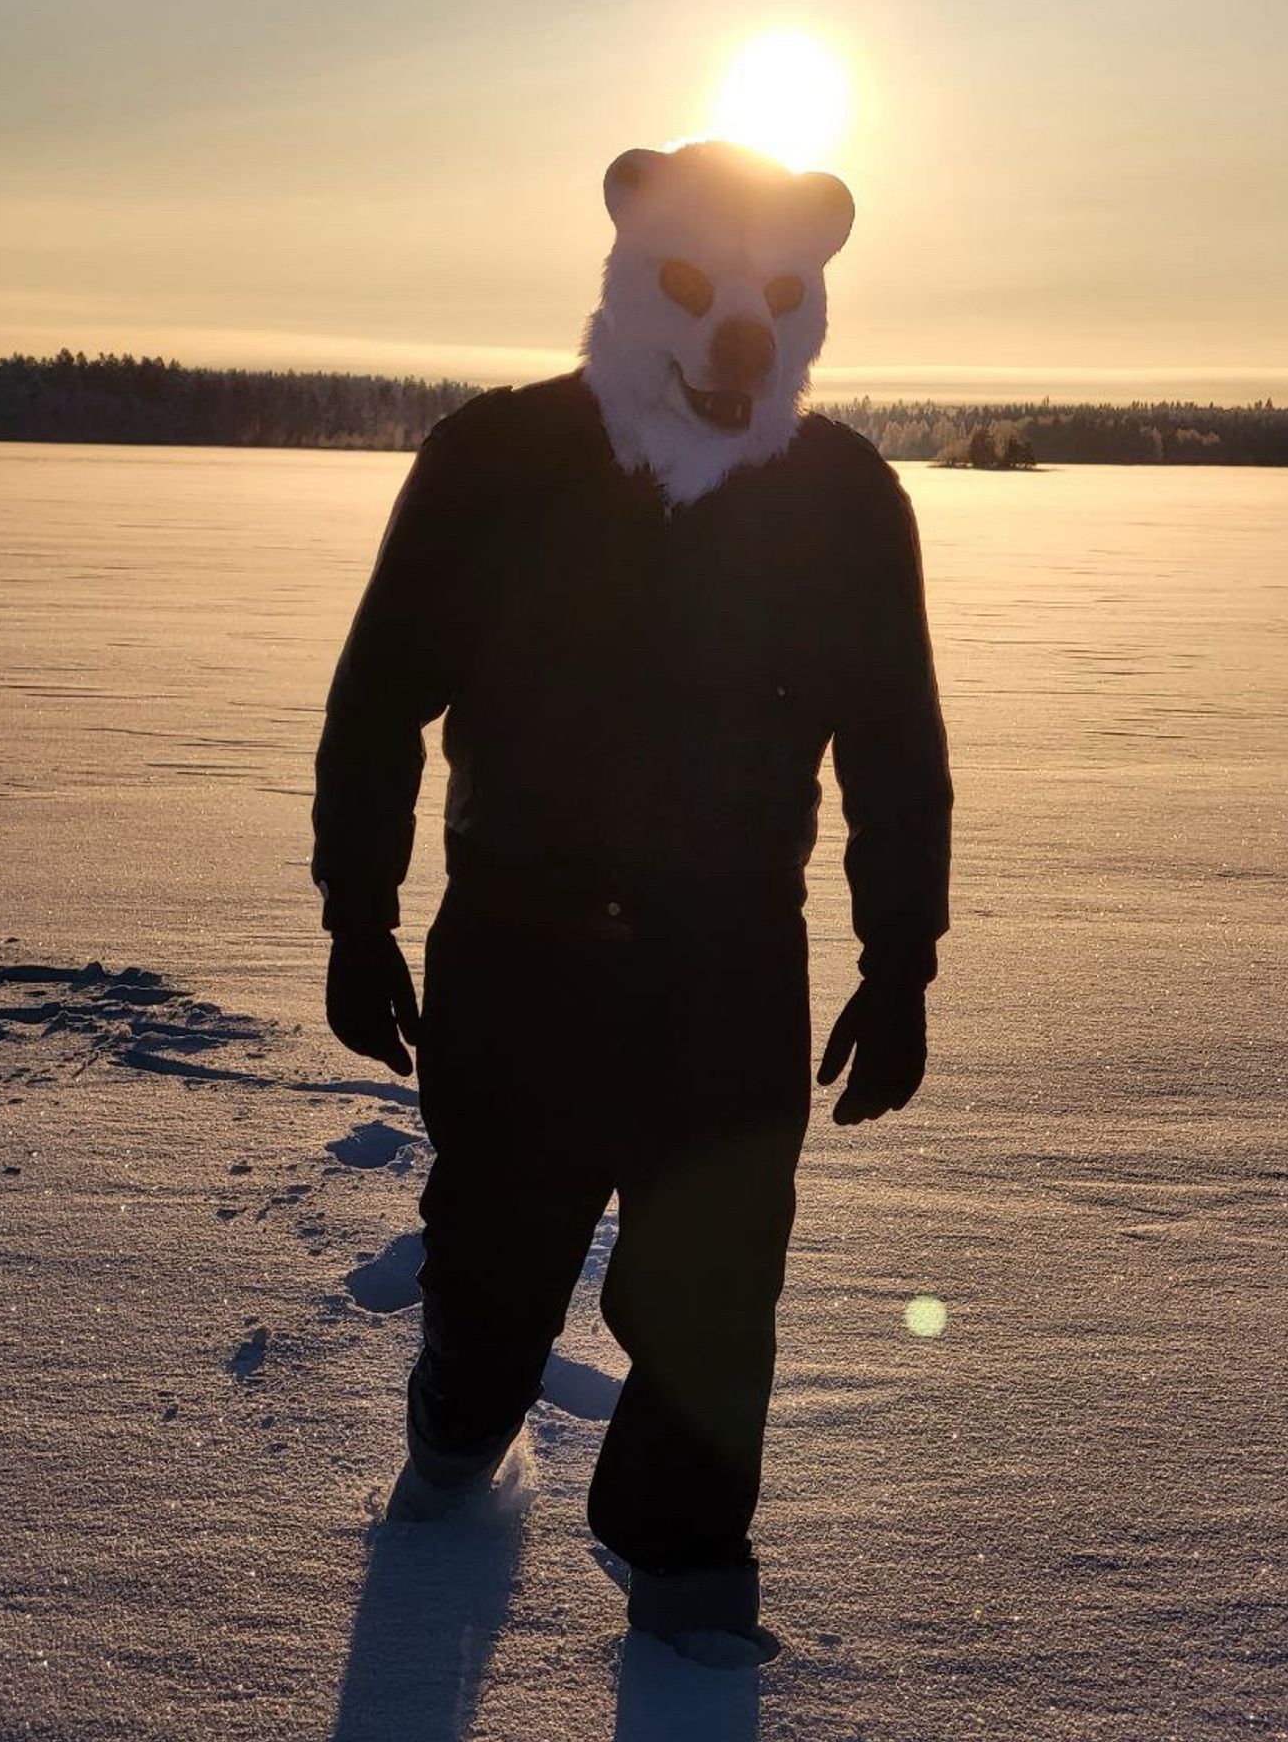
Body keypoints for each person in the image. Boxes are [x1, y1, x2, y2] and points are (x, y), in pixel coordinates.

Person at [312, 140, 952, 1665]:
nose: (739, 323)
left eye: (777, 295)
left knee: (718, 1288)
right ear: (627, 274)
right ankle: (459, 1440)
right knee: (493, 1256)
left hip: (731, 965)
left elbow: (894, 738)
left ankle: (685, 1575)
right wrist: (358, 908)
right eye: (695, 283)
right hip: (517, 957)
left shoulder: (846, 502)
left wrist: (903, 954)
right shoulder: (494, 462)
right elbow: (376, 696)